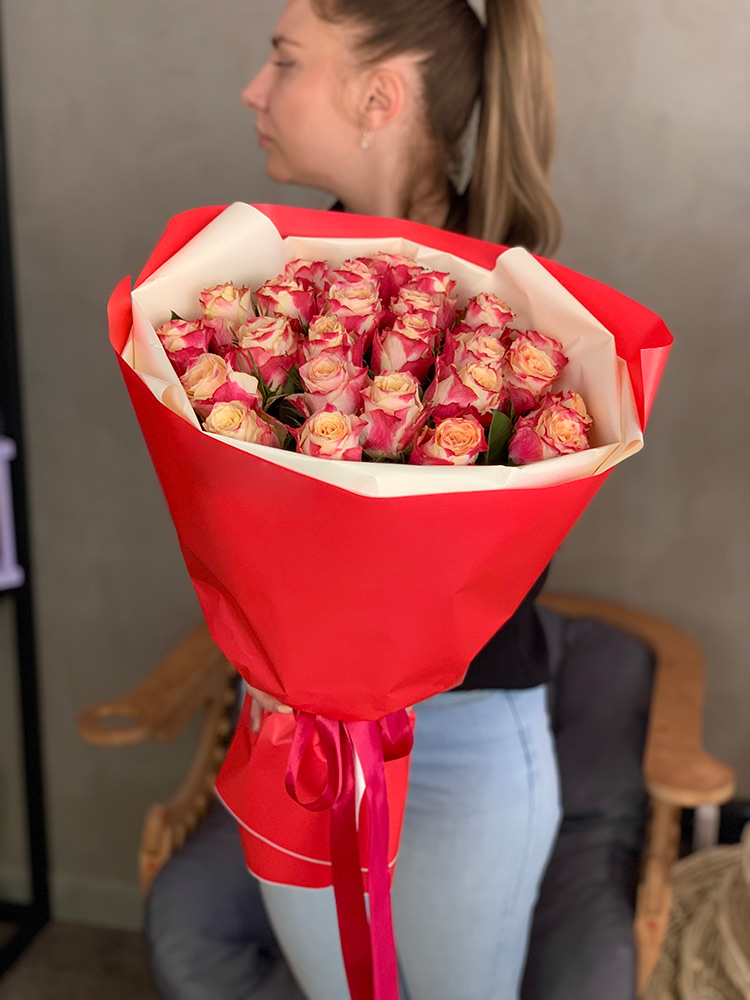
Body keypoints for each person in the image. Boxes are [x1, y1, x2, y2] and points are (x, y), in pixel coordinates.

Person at [147, 1, 562, 998]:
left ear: (379, 97)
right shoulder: (268, 291)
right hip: (294, 734)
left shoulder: (524, 306)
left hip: (462, 742)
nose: (254, 90)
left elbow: (509, 563)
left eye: (285, 59)